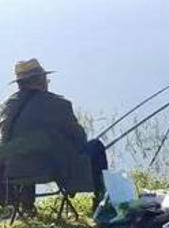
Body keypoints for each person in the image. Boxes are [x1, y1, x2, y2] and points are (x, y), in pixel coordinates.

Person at [0, 59, 98, 215]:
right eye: (46, 79)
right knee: (96, 147)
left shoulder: (6, 106)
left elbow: (6, 140)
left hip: (12, 171)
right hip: (49, 169)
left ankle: (27, 206)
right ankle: (100, 202)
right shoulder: (58, 104)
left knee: (25, 149)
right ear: (40, 80)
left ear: (20, 84)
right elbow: (79, 137)